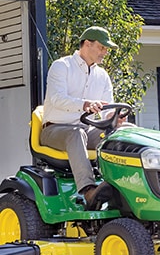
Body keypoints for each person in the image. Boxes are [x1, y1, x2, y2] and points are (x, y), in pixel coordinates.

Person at [40, 26, 119, 211]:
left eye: (106, 49)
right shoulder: (62, 66)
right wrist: (84, 104)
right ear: (87, 44)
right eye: (102, 47)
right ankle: (88, 191)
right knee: (76, 134)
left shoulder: (102, 76)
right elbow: (57, 99)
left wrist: (116, 118)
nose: (105, 52)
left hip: (86, 130)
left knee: (122, 135)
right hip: (55, 130)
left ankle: (122, 187)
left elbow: (107, 108)